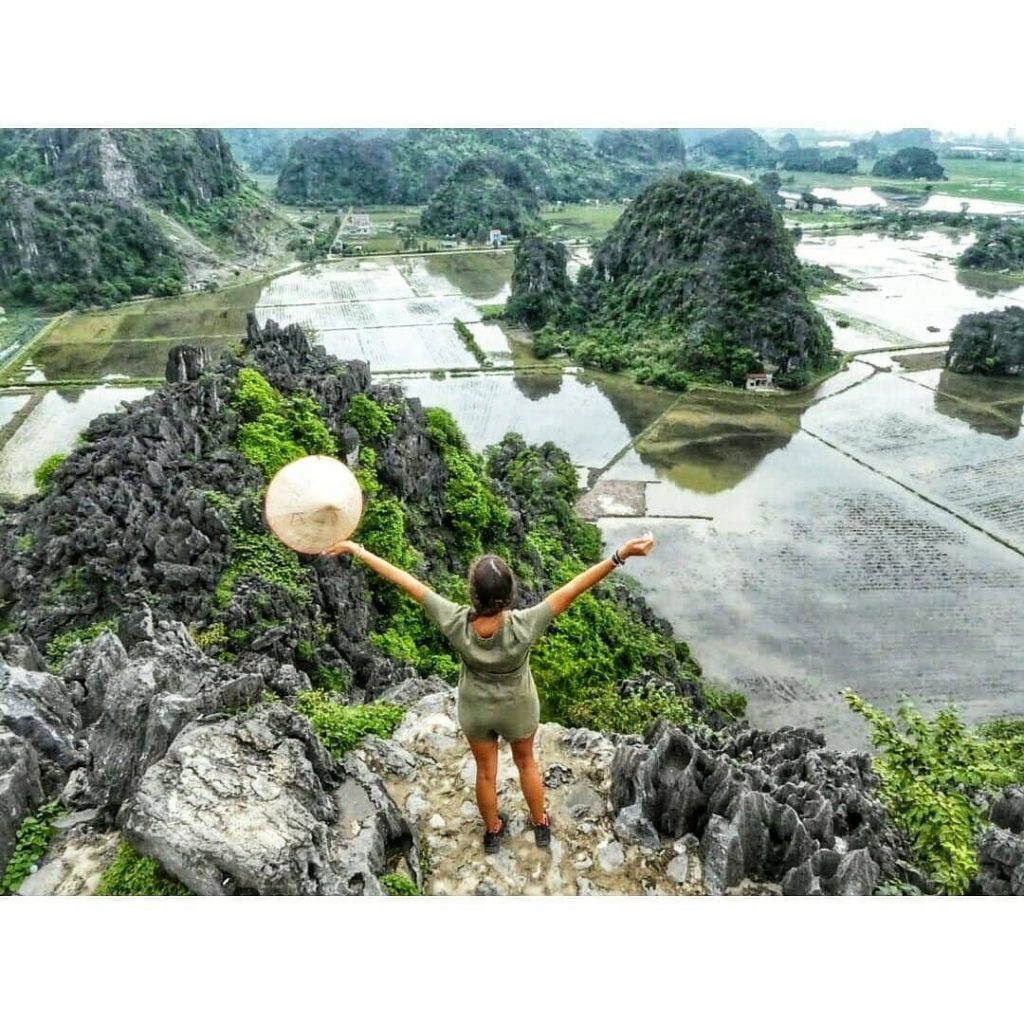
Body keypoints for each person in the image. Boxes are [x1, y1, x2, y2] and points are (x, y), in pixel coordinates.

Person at [322, 533, 656, 853]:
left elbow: (408, 582)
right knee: (527, 763)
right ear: (509, 596)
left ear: (472, 594)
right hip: (518, 707)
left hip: (476, 710)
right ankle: (540, 823)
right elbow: (574, 588)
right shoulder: (525, 624)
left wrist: (358, 551)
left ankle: (493, 830)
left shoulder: (455, 622)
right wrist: (620, 555)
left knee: (485, 772)